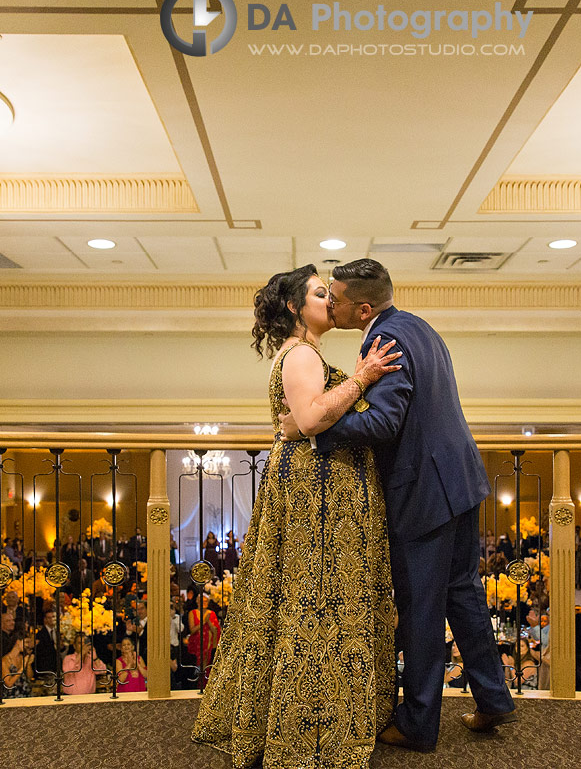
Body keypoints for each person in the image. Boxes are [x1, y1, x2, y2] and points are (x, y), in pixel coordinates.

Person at [283, 259, 515, 751]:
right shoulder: (420, 327)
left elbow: (385, 423)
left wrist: (312, 429)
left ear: (363, 308)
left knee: (422, 609)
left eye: (338, 299)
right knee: (463, 594)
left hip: (424, 493)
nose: (332, 304)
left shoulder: (381, 340)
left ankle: (418, 724)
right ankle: (494, 698)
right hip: (461, 480)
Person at [192, 265, 401, 768]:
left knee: (316, 601)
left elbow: (306, 418)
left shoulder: (307, 353)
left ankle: (316, 716)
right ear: (293, 307)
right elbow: (309, 419)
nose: (329, 300)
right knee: (315, 600)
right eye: (318, 293)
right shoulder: (302, 353)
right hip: (316, 490)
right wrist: (363, 378)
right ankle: (308, 725)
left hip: (322, 484)